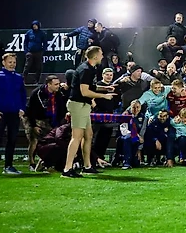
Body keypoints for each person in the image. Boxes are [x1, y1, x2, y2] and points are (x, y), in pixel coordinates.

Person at [61, 46, 117, 178]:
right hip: (78, 105)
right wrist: (104, 96)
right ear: (95, 56)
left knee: (88, 135)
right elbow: (85, 92)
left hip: (84, 105)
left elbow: (90, 87)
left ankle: (87, 166)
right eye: (101, 54)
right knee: (76, 137)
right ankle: (67, 169)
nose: (102, 56)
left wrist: (105, 88)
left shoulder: (90, 68)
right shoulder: (85, 69)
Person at [24, 75, 69, 171]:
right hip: (34, 118)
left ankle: (45, 162)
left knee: (49, 141)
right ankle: (32, 163)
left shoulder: (59, 93)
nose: (58, 86)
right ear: (49, 84)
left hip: (49, 119)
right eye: (55, 84)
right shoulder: (37, 93)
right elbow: (30, 110)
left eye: (58, 84)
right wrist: (34, 125)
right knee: (34, 140)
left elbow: (62, 106)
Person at [22, 20, 49, 84]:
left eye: (36, 25)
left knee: (39, 67)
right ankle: (23, 79)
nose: (34, 27)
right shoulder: (29, 33)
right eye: (33, 25)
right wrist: (26, 51)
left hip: (38, 52)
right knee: (27, 66)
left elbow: (45, 43)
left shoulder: (42, 33)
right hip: (30, 52)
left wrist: (43, 51)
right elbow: (25, 42)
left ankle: (36, 80)